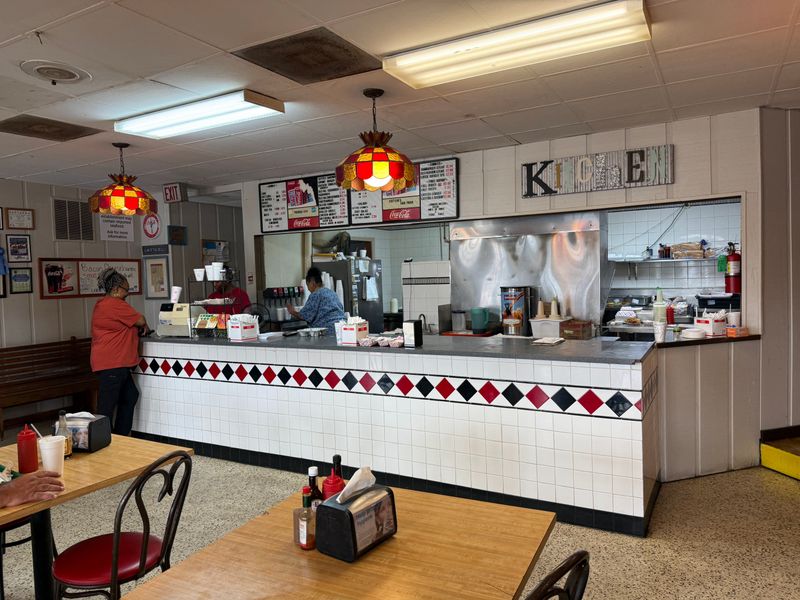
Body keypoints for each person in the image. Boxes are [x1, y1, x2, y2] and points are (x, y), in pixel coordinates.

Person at [91, 268, 148, 436]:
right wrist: (142, 325)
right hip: (112, 362)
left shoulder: (103, 304)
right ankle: (103, 440)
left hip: (114, 362)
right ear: (116, 290)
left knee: (130, 396)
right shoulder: (115, 304)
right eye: (126, 289)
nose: (127, 293)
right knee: (106, 407)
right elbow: (140, 320)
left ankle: (119, 437)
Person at [287, 267, 345, 334]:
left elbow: (304, 315)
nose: (308, 289)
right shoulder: (332, 292)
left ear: (312, 282)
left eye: (308, 285)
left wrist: (292, 311)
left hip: (328, 331)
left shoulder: (316, 294)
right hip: (342, 328)